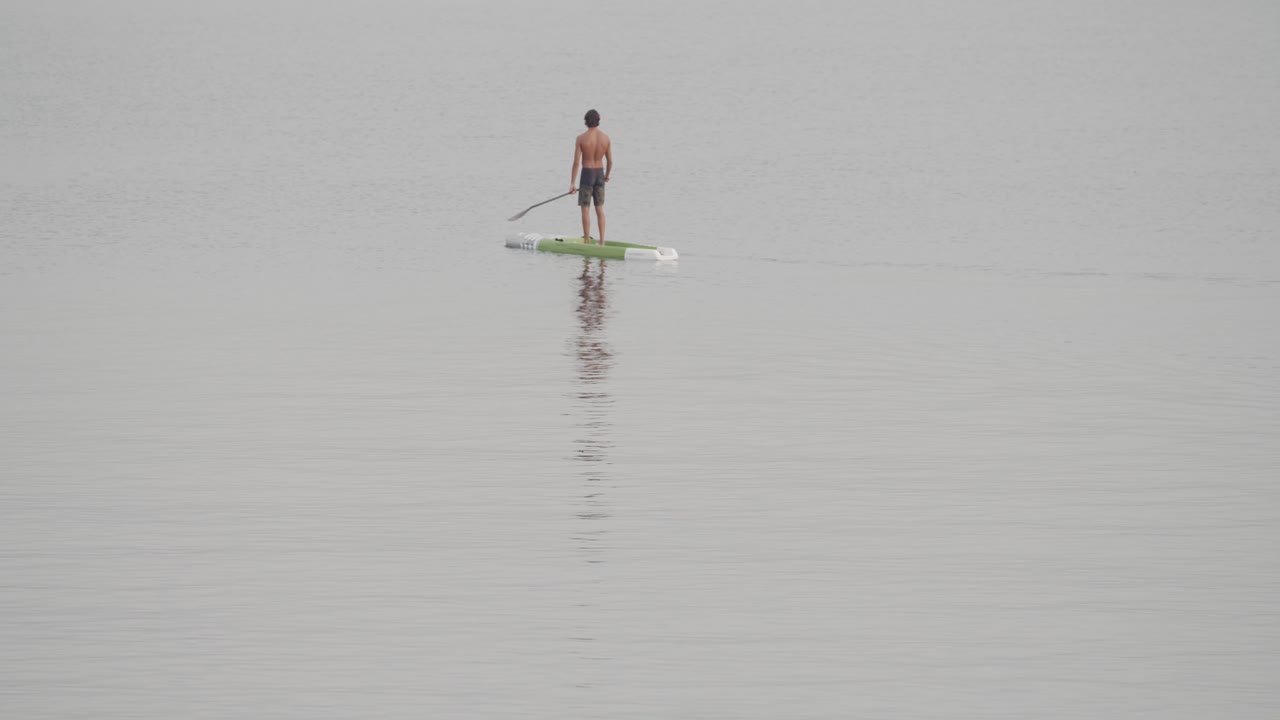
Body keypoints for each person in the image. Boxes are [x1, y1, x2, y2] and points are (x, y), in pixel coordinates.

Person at [570, 109, 612, 244]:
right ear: (598, 121)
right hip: (599, 173)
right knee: (599, 209)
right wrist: (606, 175)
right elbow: (610, 162)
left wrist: (572, 183)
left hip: (587, 174)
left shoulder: (581, 138)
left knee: (585, 210)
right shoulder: (606, 138)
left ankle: (587, 241)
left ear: (586, 122)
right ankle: (602, 241)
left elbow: (576, 162)